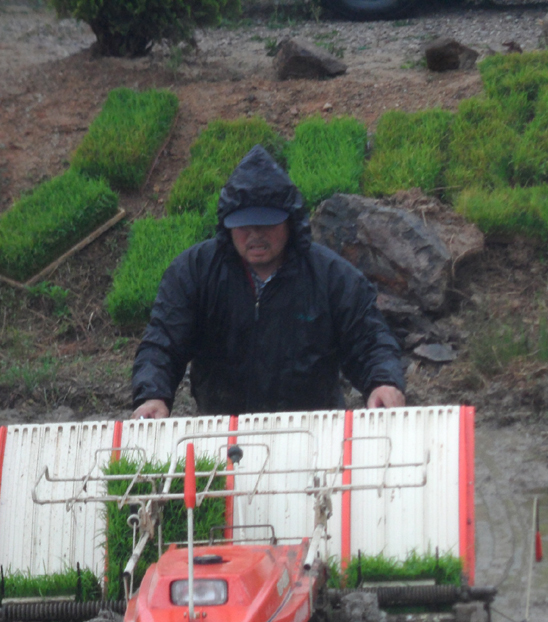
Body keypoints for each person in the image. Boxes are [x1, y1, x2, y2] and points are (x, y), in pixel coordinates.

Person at [131, 144, 406, 419]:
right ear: (228, 225)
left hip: (313, 428)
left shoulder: (332, 276)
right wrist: (153, 394)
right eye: (243, 226)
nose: (255, 235)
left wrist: (383, 382)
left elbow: (370, 339)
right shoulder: (194, 272)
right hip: (221, 427)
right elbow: (163, 341)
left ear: (290, 222)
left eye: (266, 224)